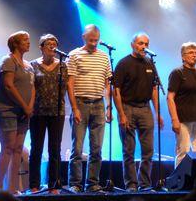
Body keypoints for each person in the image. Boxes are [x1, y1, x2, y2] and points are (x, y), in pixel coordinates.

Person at [112, 33, 164, 192]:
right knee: (129, 150)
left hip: (145, 108)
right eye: (141, 43)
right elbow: (116, 90)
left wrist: (158, 113)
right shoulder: (123, 63)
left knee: (148, 150)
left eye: (146, 44)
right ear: (133, 44)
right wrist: (121, 114)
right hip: (128, 108)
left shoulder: (150, 63)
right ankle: (131, 185)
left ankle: (145, 184)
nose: (144, 47)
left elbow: (154, 90)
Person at [0, 31, 35, 194]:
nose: (28, 43)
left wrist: (29, 107)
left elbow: (32, 88)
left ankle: (13, 189)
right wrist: (24, 106)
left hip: (23, 112)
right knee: (7, 147)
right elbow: (8, 86)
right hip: (6, 110)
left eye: (28, 40)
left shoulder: (29, 66)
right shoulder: (8, 60)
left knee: (18, 148)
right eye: (25, 40)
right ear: (16, 43)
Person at [67, 24, 112, 193]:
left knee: (96, 148)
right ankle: (75, 184)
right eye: (91, 40)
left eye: (97, 40)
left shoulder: (104, 56)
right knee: (77, 148)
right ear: (83, 37)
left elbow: (108, 84)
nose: (94, 43)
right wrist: (74, 108)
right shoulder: (74, 55)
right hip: (80, 102)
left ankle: (92, 183)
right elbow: (69, 83)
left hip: (99, 104)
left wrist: (109, 107)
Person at [28, 34, 67, 194]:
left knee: (55, 149)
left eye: (54, 44)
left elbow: (65, 87)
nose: (52, 46)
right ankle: (34, 185)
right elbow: (31, 88)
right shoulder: (33, 65)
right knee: (36, 148)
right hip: (38, 111)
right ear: (41, 47)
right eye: (48, 44)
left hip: (57, 111)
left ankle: (53, 185)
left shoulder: (63, 65)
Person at [167, 42, 196, 167]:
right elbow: (170, 97)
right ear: (183, 56)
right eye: (191, 52)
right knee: (183, 151)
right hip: (183, 119)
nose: (194, 55)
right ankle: (180, 183)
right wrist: (174, 119)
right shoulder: (177, 73)